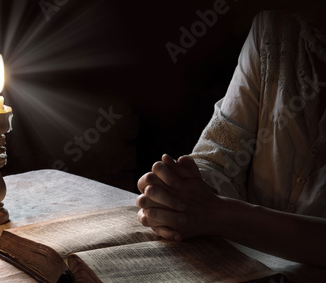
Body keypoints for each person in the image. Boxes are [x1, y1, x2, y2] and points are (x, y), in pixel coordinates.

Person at [136, 11, 326, 267]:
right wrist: (181, 191)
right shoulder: (273, 25)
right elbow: (222, 152)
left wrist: (218, 213)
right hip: (248, 269)